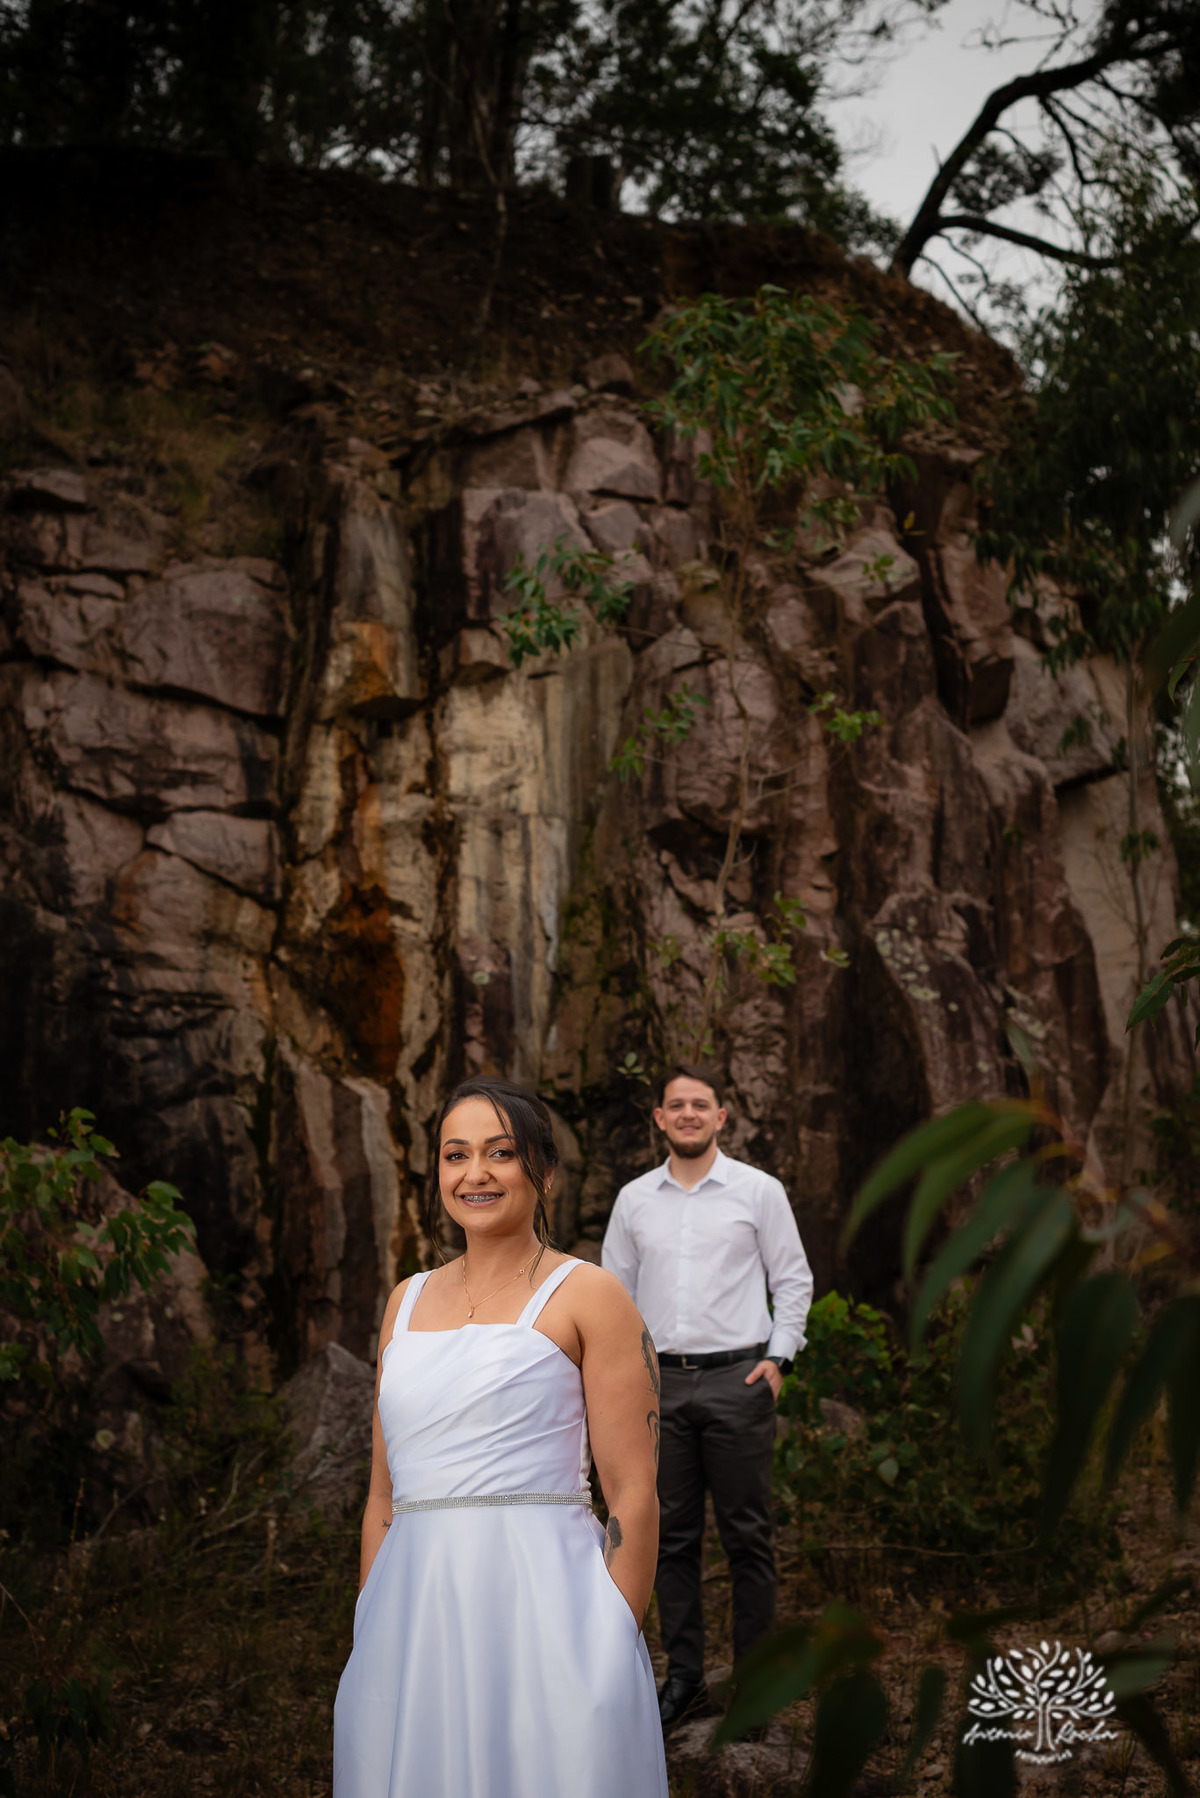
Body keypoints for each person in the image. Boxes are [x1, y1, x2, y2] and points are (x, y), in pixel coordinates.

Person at [333, 1074, 669, 1798]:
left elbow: (634, 1495)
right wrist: (371, 1617)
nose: (475, 1173)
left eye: (499, 1153)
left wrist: (614, 1636)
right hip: (409, 1618)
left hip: (549, 1614)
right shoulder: (406, 1298)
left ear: (542, 1171)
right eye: (456, 1155)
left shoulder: (589, 1293)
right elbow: (383, 1496)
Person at [602, 1065, 813, 1731]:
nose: (689, 1113)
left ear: (722, 1116)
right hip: (658, 1385)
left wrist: (779, 1359)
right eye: (677, 1105)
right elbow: (613, 1297)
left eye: (702, 1104)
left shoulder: (758, 1191)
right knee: (670, 1539)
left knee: (749, 1537)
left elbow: (794, 1279)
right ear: (659, 1119)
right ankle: (685, 1679)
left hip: (737, 1380)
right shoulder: (635, 1200)